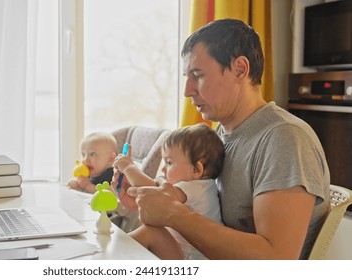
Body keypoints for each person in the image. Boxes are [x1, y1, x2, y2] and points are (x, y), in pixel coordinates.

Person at [115, 18, 330, 260]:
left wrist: (174, 215)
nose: (187, 90)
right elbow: (196, 202)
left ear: (239, 69)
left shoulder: (284, 138)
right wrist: (141, 201)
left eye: (197, 75)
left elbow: (276, 258)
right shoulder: (218, 136)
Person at [113, 123, 224, 260]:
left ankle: (109, 258)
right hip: (181, 256)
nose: (164, 170)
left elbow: (157, 193)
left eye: (169, 163)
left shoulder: (197, 187)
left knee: (151, 232)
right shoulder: (193, 188)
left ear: (196, 170)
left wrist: (129, 168)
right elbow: (156, 189)